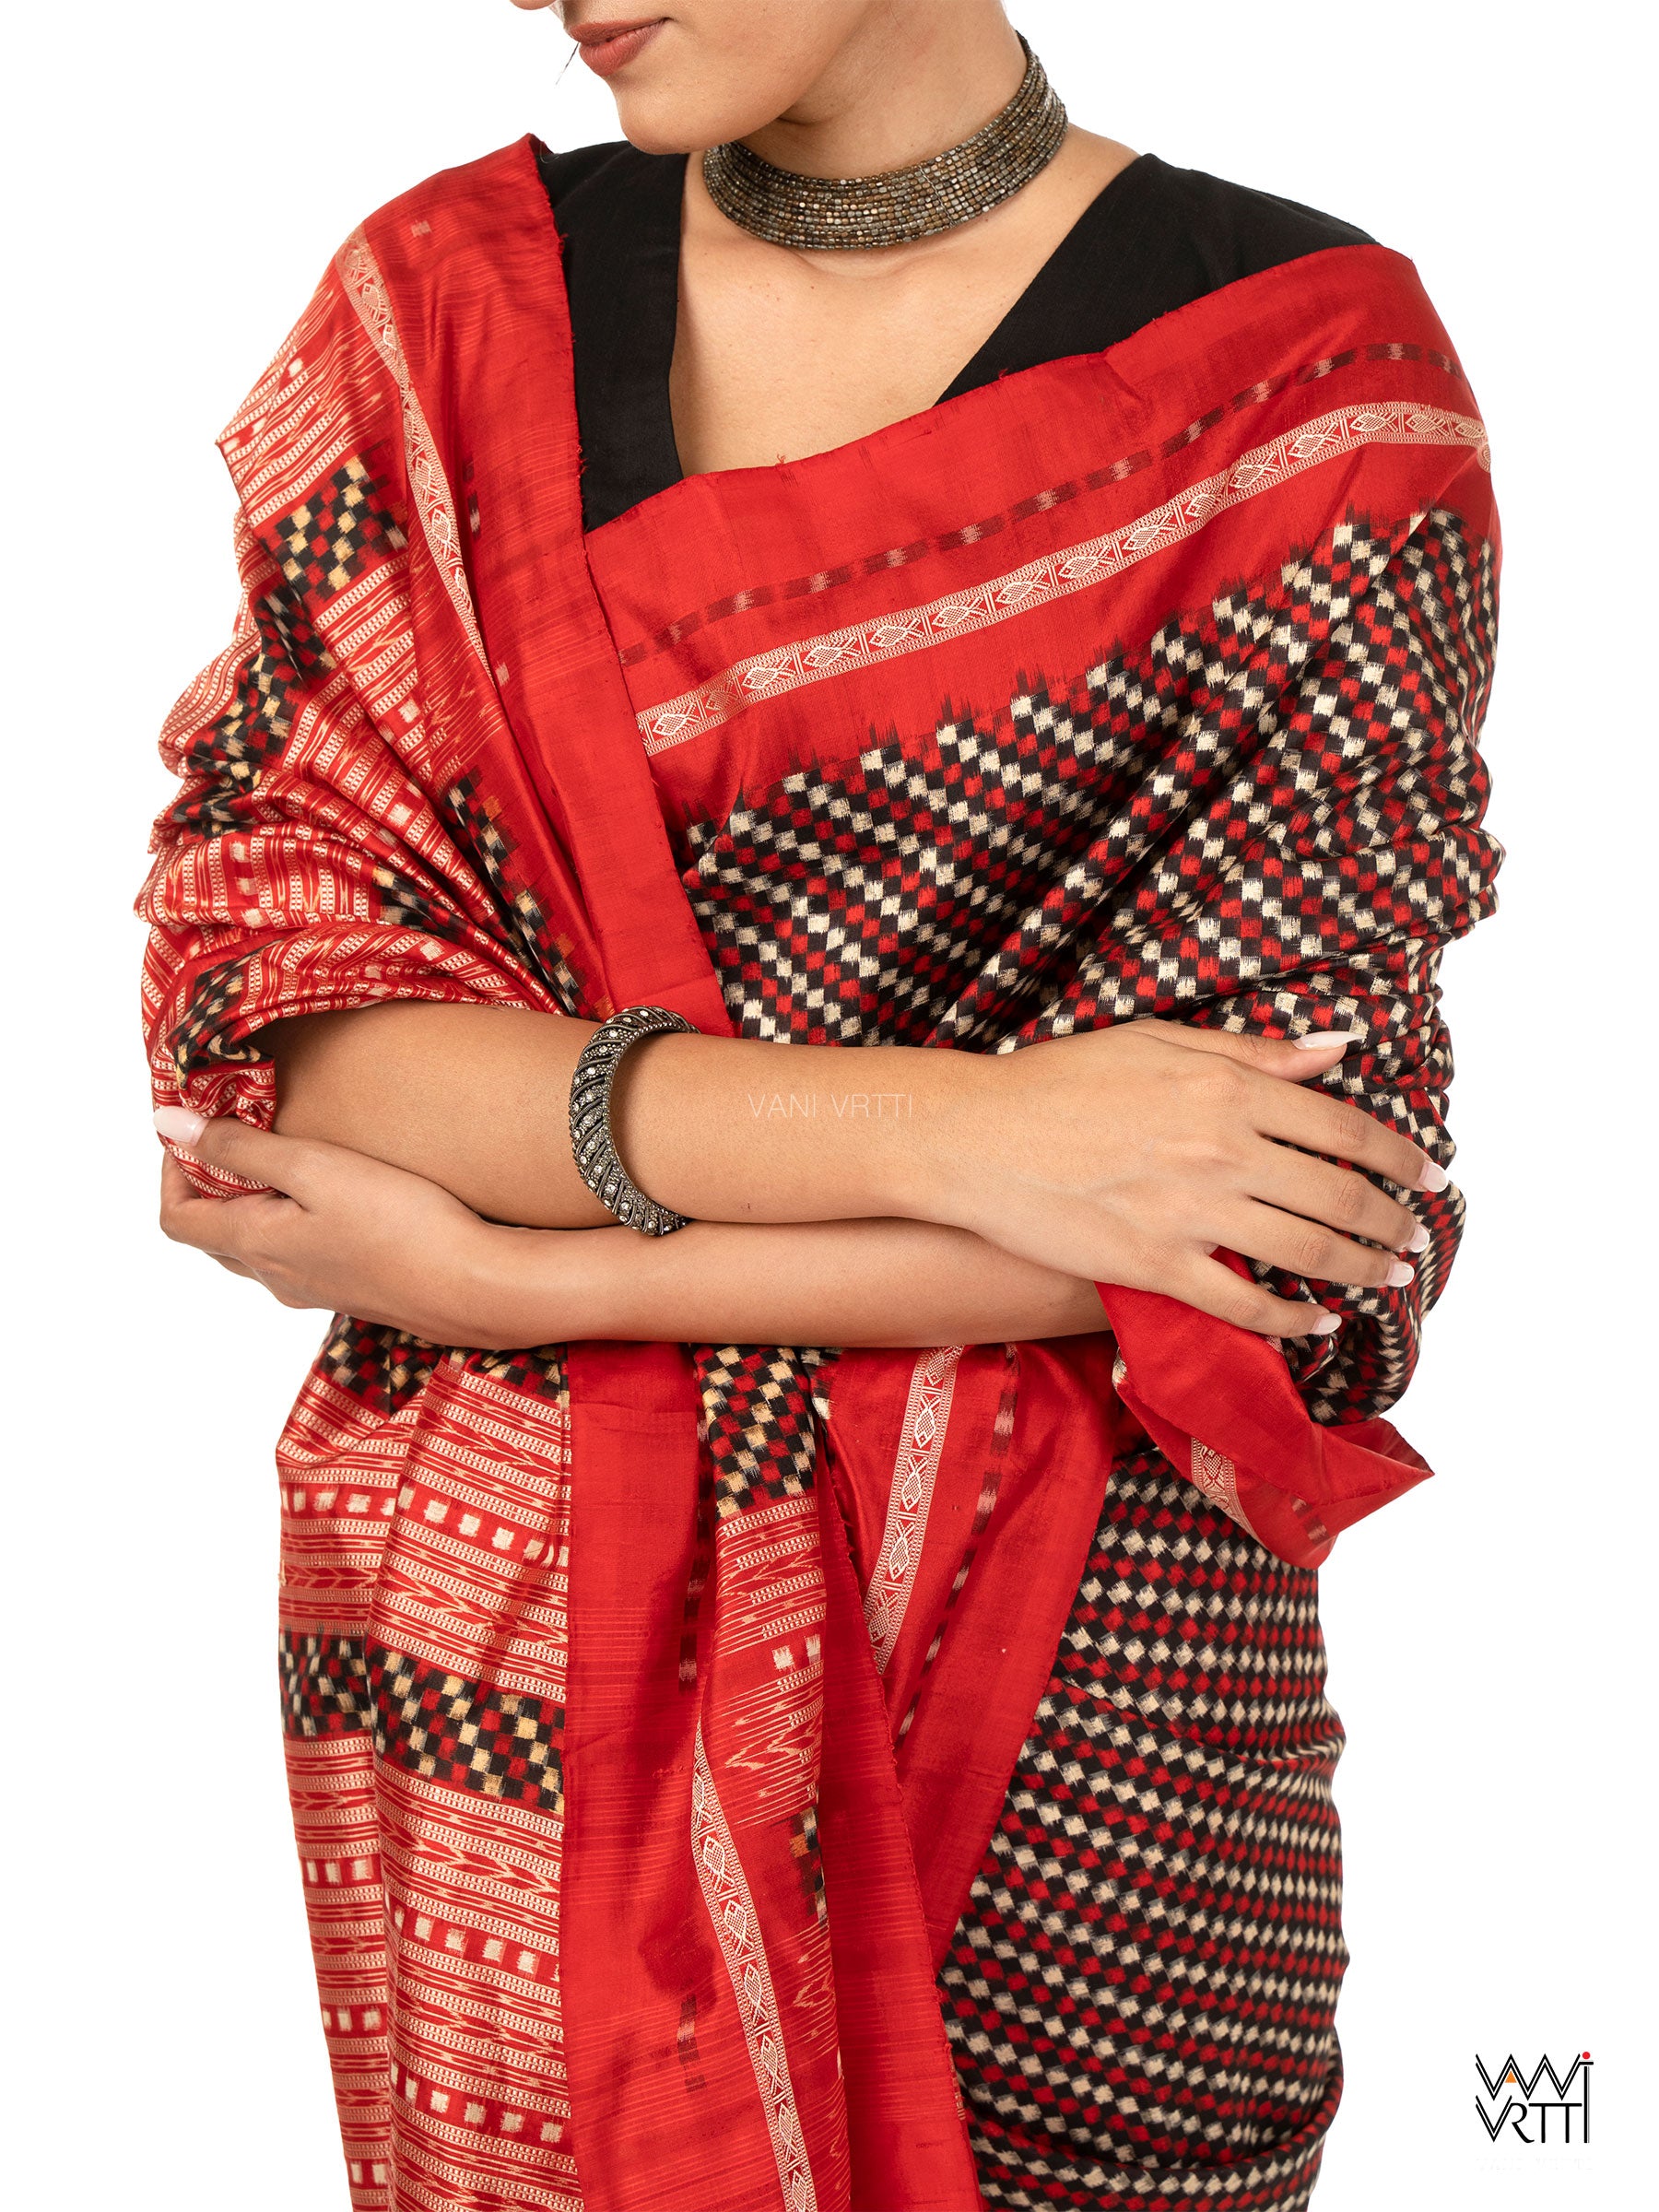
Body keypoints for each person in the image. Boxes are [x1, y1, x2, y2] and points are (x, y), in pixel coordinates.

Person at [141, 3, 1501, 2206]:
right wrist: (972, 1138)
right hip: (515, 1698)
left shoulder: (1305, 388)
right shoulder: (450, 319)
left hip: (1087, 1741)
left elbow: (1296, 1215)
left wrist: (522, 1276)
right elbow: (296, 1028)